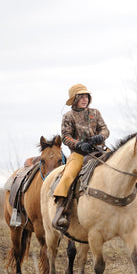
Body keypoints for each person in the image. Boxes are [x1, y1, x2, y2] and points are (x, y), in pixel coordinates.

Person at [52, 83, 109, 230]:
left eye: (86, 96)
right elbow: (65, 137)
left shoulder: (95, 112)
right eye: (81, 96)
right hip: (78, 153)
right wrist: (78, 145)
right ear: (75, 99)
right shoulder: (68, 116)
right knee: (68, 175)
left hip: (98, 150)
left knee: (119, 163)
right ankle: (62, 210)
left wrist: (99, 137)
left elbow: (105, 130)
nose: (85, 99)